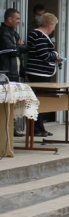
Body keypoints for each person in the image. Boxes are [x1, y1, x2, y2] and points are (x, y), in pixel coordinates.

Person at [26, 13, 62, 137]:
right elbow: (44, 55)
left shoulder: (38, 35)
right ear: (50, 24)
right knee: (38, 101)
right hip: (38, 72)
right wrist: (56, 56)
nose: (54, 29)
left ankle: (40, 127)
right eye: (54, 26)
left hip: (40, 72)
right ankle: (36, 128)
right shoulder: (39, 36)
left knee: (40, 101)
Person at [0, 8, 28, 136]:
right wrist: (18, 47)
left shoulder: (14, 33)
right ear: (9, 19)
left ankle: (12, 127)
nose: (19, 21)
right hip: (6, 71)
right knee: (6, 100)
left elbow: (24, 47)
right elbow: (10, 50)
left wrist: (18, 47)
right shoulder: (2, 32)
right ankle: (5, 128)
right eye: (17, 18)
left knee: (14, 100)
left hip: (15, 70)